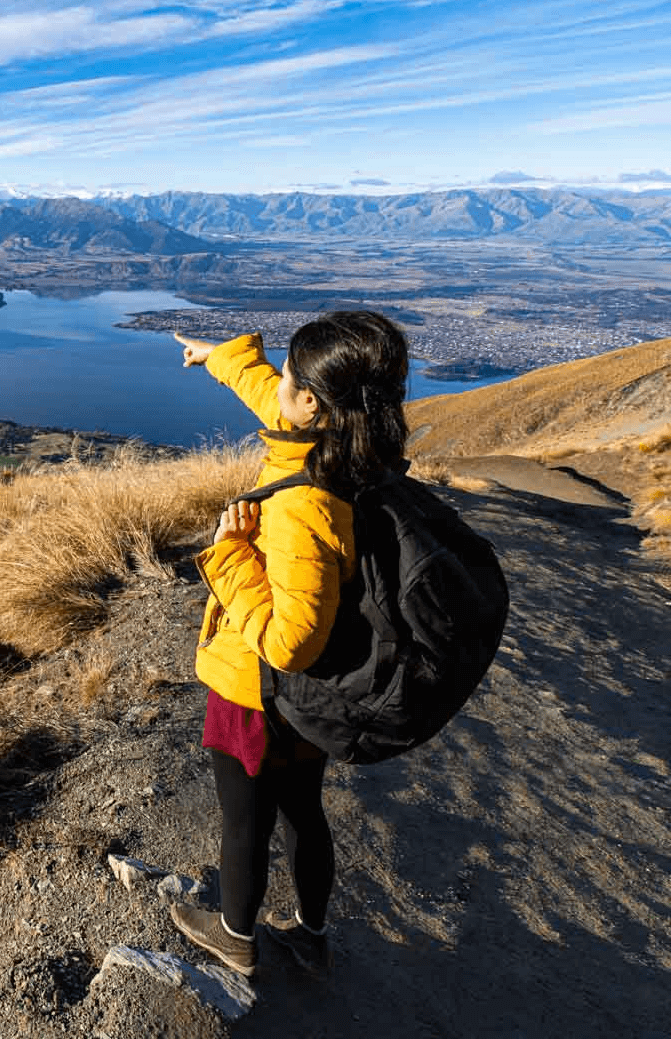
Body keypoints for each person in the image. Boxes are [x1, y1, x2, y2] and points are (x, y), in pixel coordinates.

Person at [168, 311, 411, 979]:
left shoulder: (305, 502)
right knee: (303, 807)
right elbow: (267, 391)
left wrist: (231, 555)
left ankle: (234, 938)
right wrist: (219, 356)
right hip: (315, 694)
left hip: (259, 688)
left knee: (245, 820)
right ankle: (309, 933)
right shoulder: (349, 450)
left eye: (290, 381)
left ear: (311, 403)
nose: (277, 386)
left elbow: (289, 642)